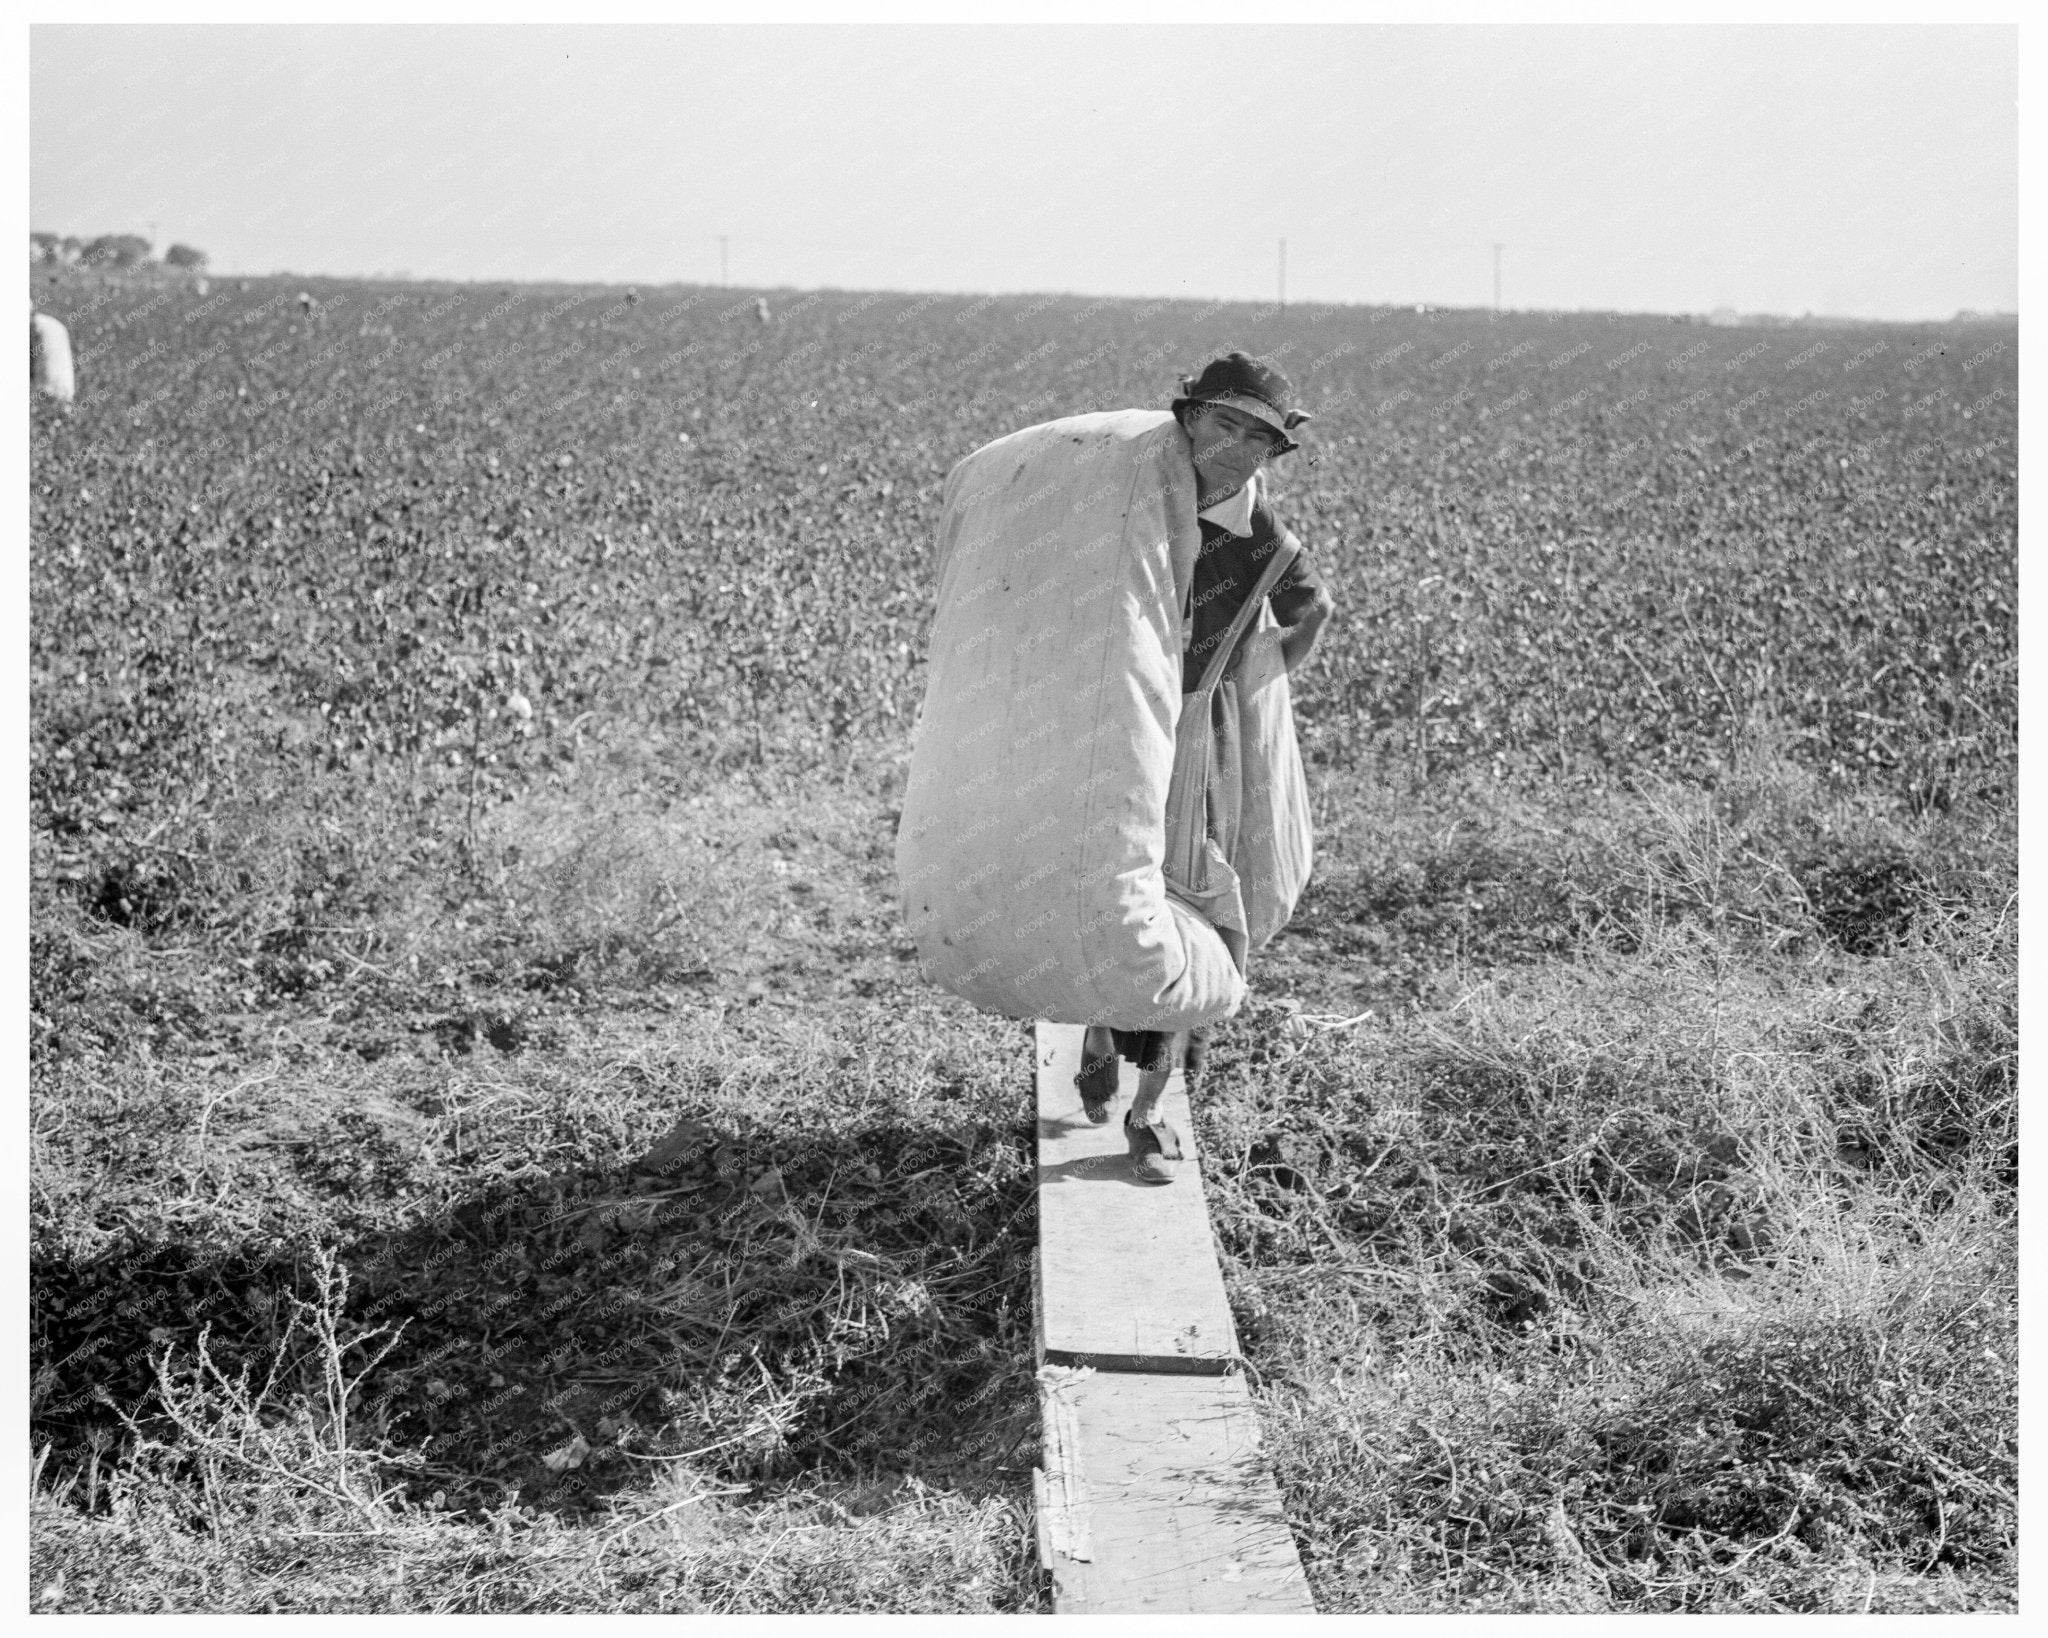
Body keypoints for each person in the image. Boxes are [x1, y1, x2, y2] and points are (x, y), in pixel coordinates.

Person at [1077, 351, 1335, 1182]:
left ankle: (1149, 1108)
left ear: (1270, 454)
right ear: (1189, 422)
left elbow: (1312, 609)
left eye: (1255, 438)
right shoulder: (1132, 499)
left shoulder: (1260, 538)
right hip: (1109, 716)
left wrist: (1249, 675)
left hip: (1188, 733)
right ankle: (1096, 1027)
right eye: (1223, 424)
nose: (1234, 446)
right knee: (1105, 883)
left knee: (1192, 903)